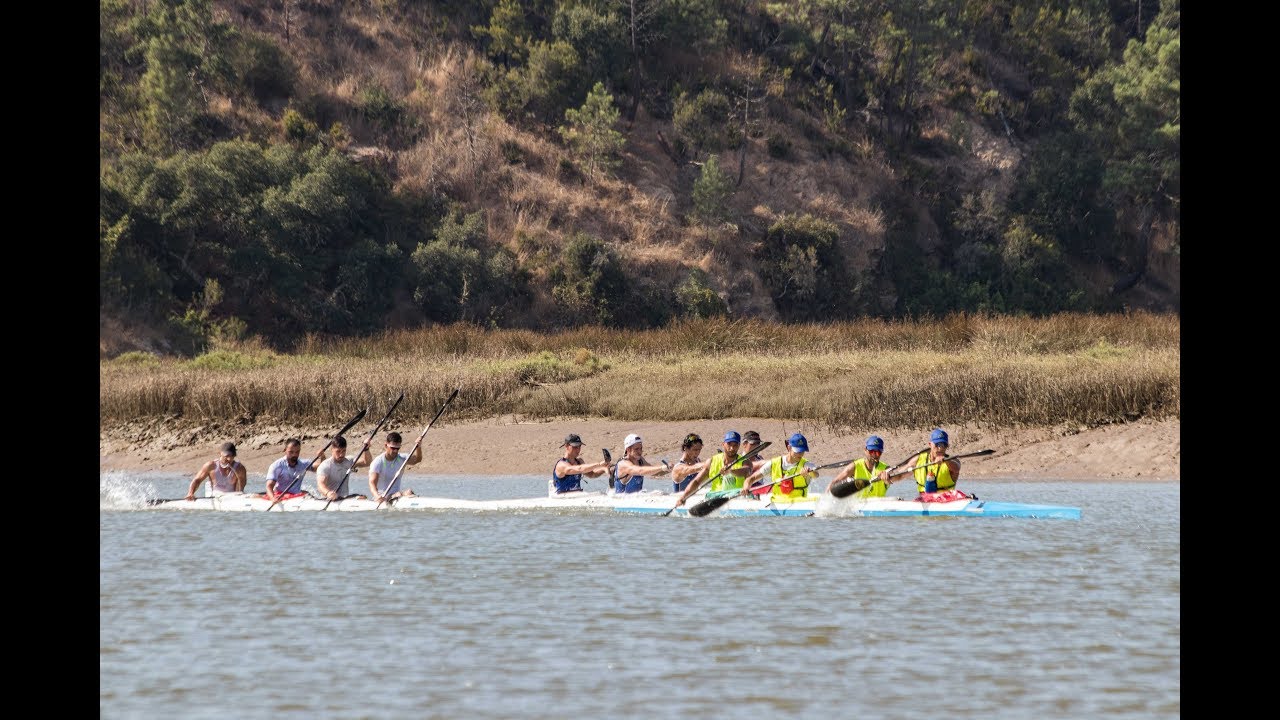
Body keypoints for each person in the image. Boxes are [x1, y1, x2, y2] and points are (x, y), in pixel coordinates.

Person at [674, 431, 745, 507]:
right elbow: (694, 474)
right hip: (682, 496)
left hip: (734, 496)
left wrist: (729, 469)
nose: (697, 453)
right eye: (695, 450)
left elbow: (746, 470)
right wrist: (683, 497)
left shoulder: (744, 461)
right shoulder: (679, 466)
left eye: (699, 449)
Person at [743, 432, 817, 500]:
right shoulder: (774, 463)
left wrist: (810, 472)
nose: (800, 454)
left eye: (802, 451)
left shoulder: (806, 465)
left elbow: (816, 474)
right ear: (789, 448)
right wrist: (746, 486)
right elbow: (752, 478)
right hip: (777, 503)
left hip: (799, 503)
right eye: (797, 451)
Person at [369, 431, 424, 504]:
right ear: (386, 445)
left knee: (409, 491)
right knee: (405, 493)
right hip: (382, 497)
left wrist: (418, 447)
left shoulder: (402, 458)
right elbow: (372, 483)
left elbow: (417, 459)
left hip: (396, 495)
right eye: (392, 448)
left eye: (397, 448)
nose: (395, 451)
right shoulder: (378, 462)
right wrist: (377, 496)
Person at [315, 435, 373, 502]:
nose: (341, 455)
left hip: (344, 498)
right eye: (338, 451)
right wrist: (328, 493)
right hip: (329, 499)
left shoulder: (349, 461)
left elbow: (367, 462)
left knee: (363, 497)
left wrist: (366, 449)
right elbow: (320, 485)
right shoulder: (325, 465)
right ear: (332, 450)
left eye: (343, 451)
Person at [912, 428, 961, 495]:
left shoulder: (953, 460)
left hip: (946, 500)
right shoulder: (919, 459)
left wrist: (946, 461)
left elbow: (957, 468)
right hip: (924, 500)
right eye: (937, 444)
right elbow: (901, 474)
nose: (940, 448)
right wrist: (892, 478)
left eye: (944, 445)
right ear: (930, 444)